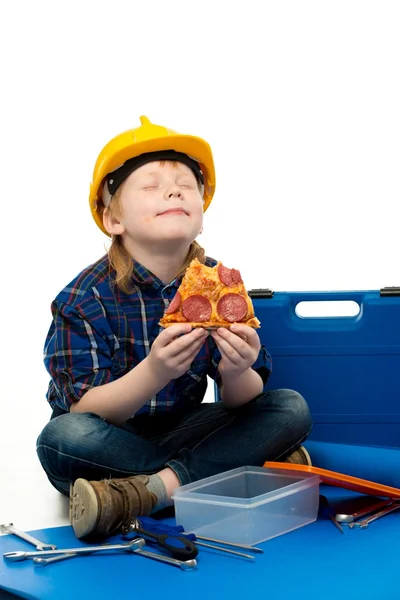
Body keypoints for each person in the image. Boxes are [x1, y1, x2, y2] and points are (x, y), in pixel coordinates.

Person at [36, 116, 312, 540]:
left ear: (200, 217)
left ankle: (146, 492)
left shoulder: (218, 283)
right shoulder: (82, 298)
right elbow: (86, 411)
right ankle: (235, 467)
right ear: (113, 219)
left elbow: (243, 399)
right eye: (150, 186)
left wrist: (239, 371)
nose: (173, 191)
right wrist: (156, 372)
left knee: (289, 407)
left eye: (186, 185)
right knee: (62, 437)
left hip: (180, 428)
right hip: (108, 437)